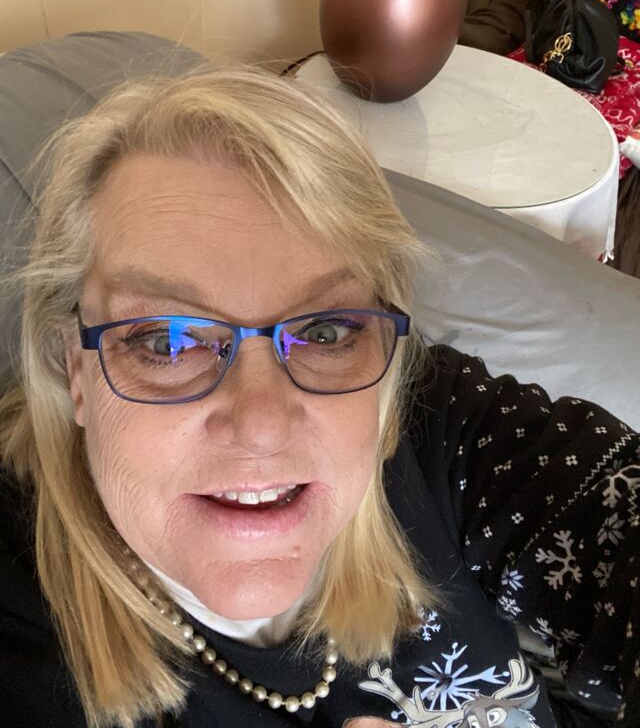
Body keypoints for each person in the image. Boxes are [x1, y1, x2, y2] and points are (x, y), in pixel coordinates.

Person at [0, 67, 637, 728]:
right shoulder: (23, 611)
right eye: (166, 341)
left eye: (325, 330)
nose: (262, 424)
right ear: (73, 366)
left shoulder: (436, 424)